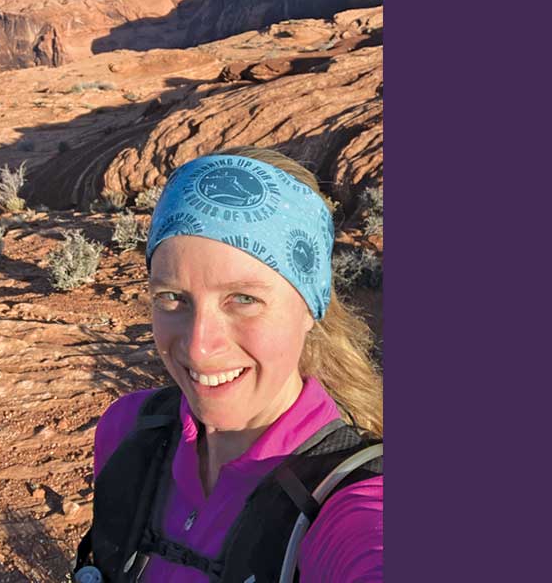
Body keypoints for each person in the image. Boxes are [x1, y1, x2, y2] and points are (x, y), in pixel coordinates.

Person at [74, 147, 383, 582]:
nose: (198, 347)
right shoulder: (128, 428)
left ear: (309, 308)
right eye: (172, 297)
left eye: (243, 299)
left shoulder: (351, 502)